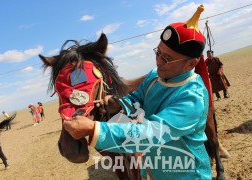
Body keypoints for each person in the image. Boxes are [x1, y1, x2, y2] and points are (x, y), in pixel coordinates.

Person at [63, 5, 212, 179]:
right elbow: (137, 98)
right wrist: (119, 104)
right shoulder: (155, 76)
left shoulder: (193, 98)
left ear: (191, 64)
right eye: (158, 52)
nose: (158, 61)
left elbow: (150, 133)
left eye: (166, 58)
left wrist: (94, 129)